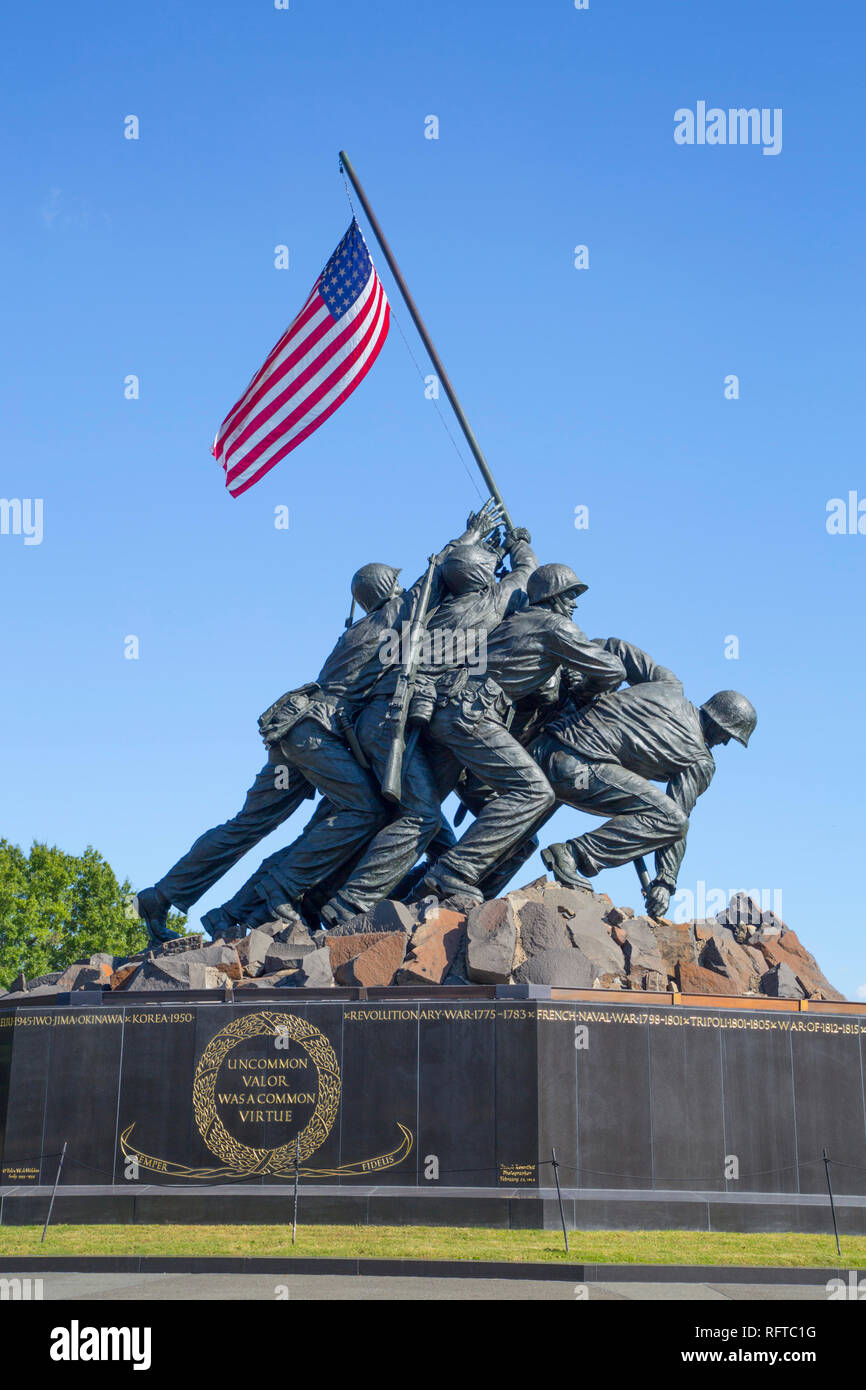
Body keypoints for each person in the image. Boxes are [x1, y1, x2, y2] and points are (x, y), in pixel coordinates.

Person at [418, 562, 626, 901]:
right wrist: (585, 692)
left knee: (427, 811)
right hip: (473, 714)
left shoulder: (517, 620)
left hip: (448, 712)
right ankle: (453, 870)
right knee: (534, 793)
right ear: (553, 595)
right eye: (570, 595)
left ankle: (416, 892)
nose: (574, 604)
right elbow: (612, 669)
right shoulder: (555, 626)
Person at [533, 637, 757, 918]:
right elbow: (675, 821)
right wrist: (665, 881)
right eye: (729, 736)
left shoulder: (667, 684)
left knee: (516, 841)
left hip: (541, 747)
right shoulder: (700, 760)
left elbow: (614, 647)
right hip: (573, 771)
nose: (724, 743)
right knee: (672, 820)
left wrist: (582, 687)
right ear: (720, 723)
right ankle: (572, 854)